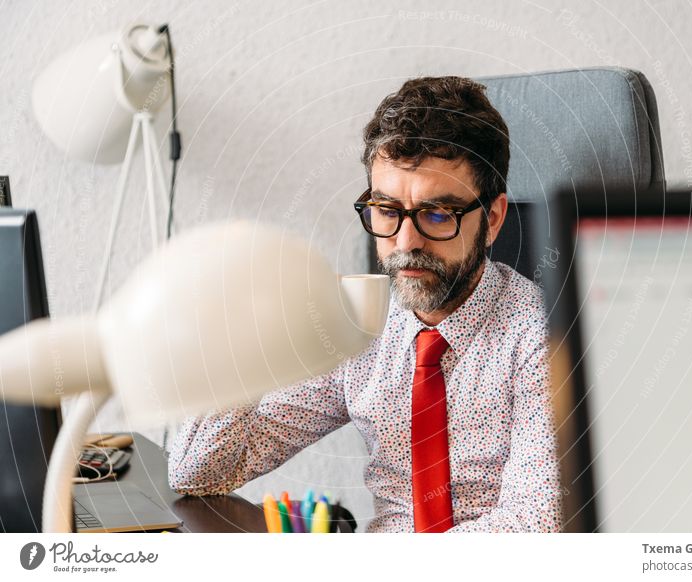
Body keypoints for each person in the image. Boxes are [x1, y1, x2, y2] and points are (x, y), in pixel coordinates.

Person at [168, 76, 562, 533]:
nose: (405, 242)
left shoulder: (545, 334)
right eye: (388, 210)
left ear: (491, 219)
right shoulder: (360, 325)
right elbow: (197, 471)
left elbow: (534, 526)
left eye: (437, 214)